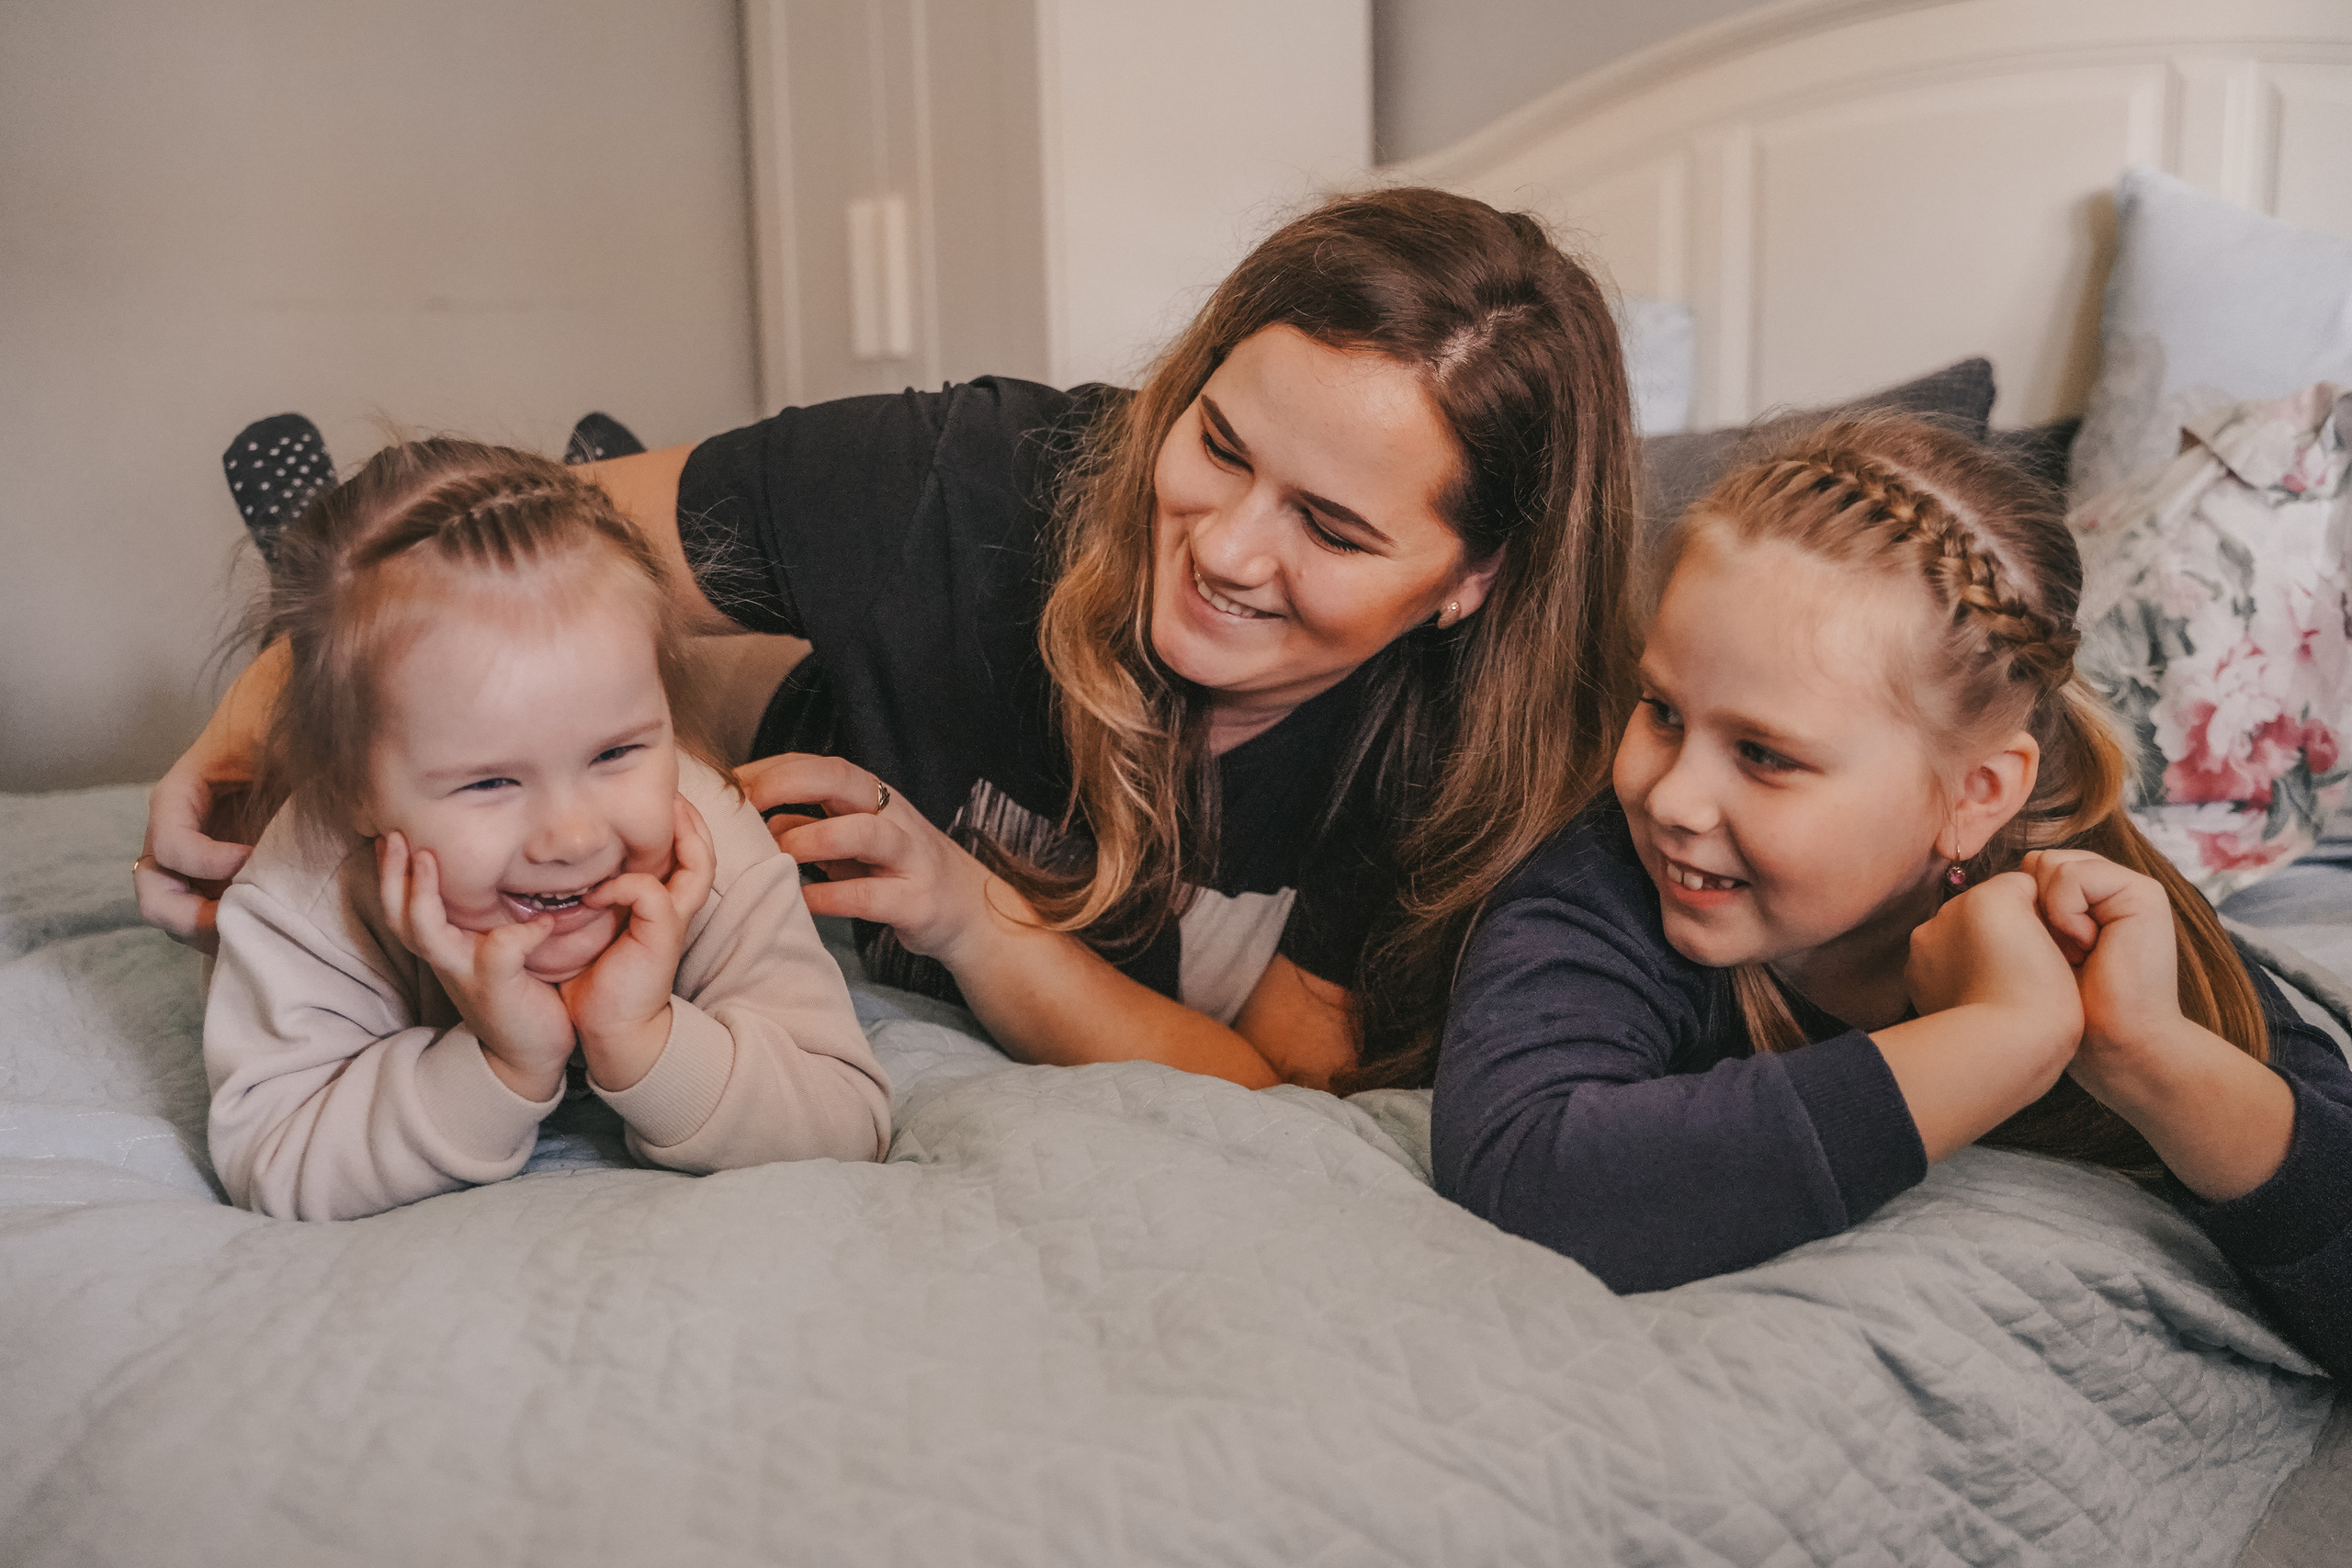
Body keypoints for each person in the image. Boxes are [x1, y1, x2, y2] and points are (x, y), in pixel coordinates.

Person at [142, 187, 1641, 1092]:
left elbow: (1276, 1077)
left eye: (1333, 528)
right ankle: (323, 555)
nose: (1231, 550)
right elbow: (519, 537)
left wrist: (973, 917)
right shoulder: (965, 481)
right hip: (791, 719)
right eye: (1222, 446)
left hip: (862, 828)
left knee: (664, 682)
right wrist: (274, 693)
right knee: (581, 624)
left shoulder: (1460, 764)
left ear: (1473, 580)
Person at [1431, 415, 2352, 1379]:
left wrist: (2146, 1054)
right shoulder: (1609, 877)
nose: (1667, 795)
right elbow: (1530, 1174)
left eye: (1763, 754)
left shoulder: (2090, 906)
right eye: (1660, 710)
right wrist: (2003, 1037)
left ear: (1977, 796)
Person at [200, 438, 890, 1221]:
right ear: (355, 792)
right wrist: (500, 1062)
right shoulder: (305, 885)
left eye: (616, 751)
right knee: (330, 650)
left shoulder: (711, 844)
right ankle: (292, 549)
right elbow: (277, 1157)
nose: (571, 835)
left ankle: (600, 462)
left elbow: (849, 1119)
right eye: (491, 780)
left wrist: (645, 1039)